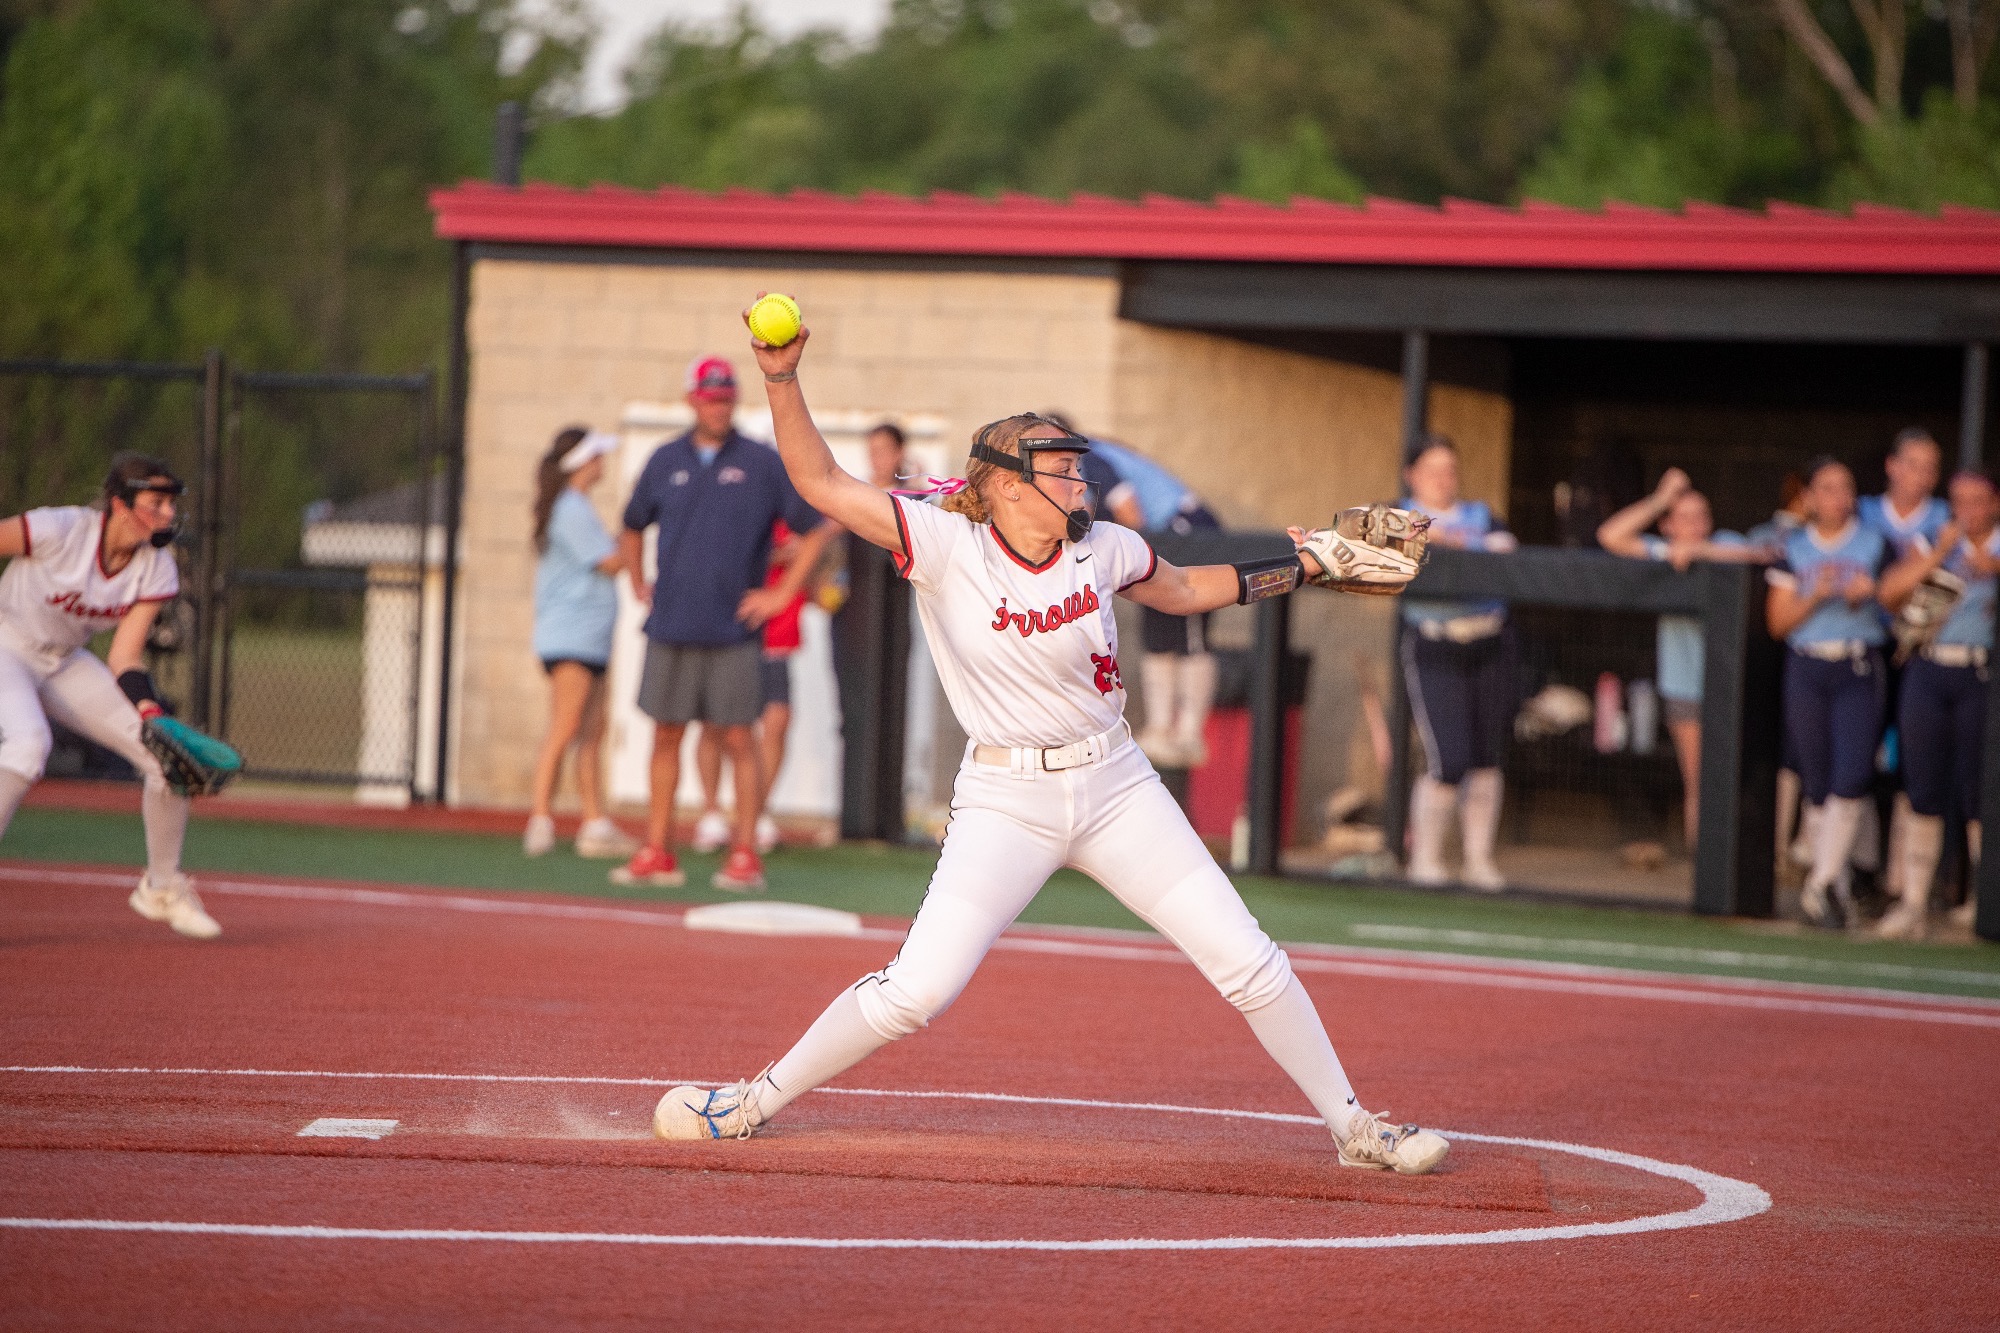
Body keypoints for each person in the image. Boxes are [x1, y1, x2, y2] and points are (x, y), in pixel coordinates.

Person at [649, 303, 1451, 1177]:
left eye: (1076, 467)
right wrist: (779, 375)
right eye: (1059, 469)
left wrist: (1309, 564)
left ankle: (1353, 1126)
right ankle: (751, 1101)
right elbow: (819, 481)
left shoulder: (1103, 546)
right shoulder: (946, 543)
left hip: (1117, 785)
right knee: (917, 991)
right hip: (1005, 798)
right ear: (1002, 483)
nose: (1079, 480)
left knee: (1246, 957)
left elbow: (1182, 589)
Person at [612, 357, 832, 892]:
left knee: (740, 738)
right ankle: (658, 850)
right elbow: (631, 524)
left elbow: (818, 528)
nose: (719, 405)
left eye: (727, 397)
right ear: (692, 400)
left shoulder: (761, 462)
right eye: (710, 397)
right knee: (666, 735)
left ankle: (744, 853)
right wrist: (639, 581)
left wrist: (781, 593)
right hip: (671, 624)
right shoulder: (664, 460)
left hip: (734, 629)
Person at [0, 453, 220, 938]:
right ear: (120, 504)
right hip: (5, 642)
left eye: (171, 503)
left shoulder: (156, 566)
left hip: (63, 660)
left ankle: (161, 887)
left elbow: (124, 656)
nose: (167, 513)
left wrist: (150, 715)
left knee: (164, 757)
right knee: (29, 744)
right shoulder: (61, 528)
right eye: (156, 501)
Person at [1596, 468, 1764, 848]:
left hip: (1732, 684)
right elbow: (1610, 536)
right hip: (1684, 687)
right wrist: (1659, 498)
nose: (1695, 524)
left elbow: (1760, 553)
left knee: (1739, 778)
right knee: (1700, 781)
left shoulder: (1725, 543)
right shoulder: (1662, 553)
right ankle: (1702, 871)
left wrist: (1699, 551)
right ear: (1668, 525)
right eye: (1684, 518)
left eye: (1701, 515)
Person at [1765, 456, 1894, 929]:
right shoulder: (1793, 547)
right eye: (1826, 488)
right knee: (1817, 780)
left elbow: (1901, 603)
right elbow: (1777, 622)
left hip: (1857, 663)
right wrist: (1815, 595)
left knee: (1852, 774)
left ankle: (1818, 886)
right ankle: (1832, 885)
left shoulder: (1875, 544)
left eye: (1845, 488)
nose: (1836, 498)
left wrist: (1874, 594)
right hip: (1807, 665)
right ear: (1809, 496)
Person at [1048, 419, 1221, 769]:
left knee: (1187, 633)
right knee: (1157, 637)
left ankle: (1189, 731)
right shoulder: (1076, 466)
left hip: (1184, 529)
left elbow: (1131, 513)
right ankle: (1160, 727)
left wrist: (1113, 562)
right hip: (1158, 538)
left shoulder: (1088, 457)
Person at [1875, 468, 1996, 938]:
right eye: (1959, 501)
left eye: (1978, 501)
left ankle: (1984, 903)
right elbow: (1890, 593)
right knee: (1922, 782)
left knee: (1977, 790)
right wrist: (1943, 553)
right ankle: (1914, 901)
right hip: (1928, 668)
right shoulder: (1932, 540)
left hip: (1979, 672)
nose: (1969, 511)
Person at [1397, 433, 1518, 890]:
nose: (1444, 480)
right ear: (1413, 475)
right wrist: (1448, 537)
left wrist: (1460, 539)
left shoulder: (1482, 514)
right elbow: (1392, 535)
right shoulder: (1397, 511)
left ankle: (1478, 860)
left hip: (1489, 638)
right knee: (1448, 757)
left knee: (1487, 757)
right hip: (1435, 640)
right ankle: (1425, 859)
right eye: (1433, 470)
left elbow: (1506, 546)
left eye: (1451, 469)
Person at [523, 428, 640, 861]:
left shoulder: (579, 508)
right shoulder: (569, 509)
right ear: (580, 462)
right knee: (567, 725)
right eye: (595, 457)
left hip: (591, 637)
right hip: (569, 636)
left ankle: (594, 822)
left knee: (592, 731)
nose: (601, 465)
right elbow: (610, 562)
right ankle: (540, 819)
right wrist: (636, 541)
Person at [690, 516, 813, 856]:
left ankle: (757, 811)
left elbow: (816, 550)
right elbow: (720, 555)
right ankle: (712, 813)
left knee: (776, 723)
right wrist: (776, 554)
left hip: (778, 637)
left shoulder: (799, 513)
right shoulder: (738, 507)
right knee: (716, 724)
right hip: (732, 631)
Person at [1859, 428, 1948, 558]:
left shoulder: (1945, 514)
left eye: (1930, 467)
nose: (1921, 474)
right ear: (1890, 465)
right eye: (1913, 465)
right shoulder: (1862, 511)